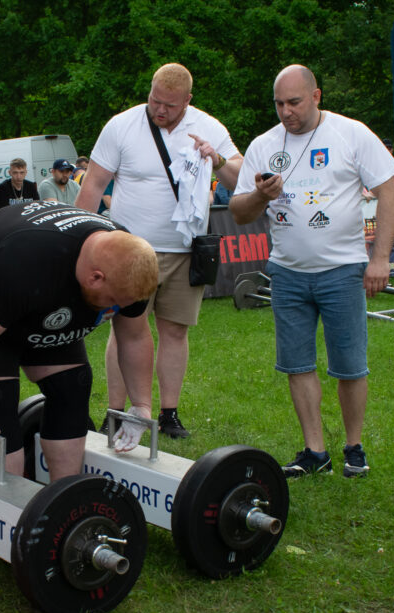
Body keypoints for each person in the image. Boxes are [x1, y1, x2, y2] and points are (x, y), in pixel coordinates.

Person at [229, 64, 394, 479]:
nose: (286, 112)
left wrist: (379, 259)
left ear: (316, 96)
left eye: (294, 102)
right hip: (287, 272)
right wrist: (259, 194)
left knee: (349, 364)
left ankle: (354, 446)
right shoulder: (264, 144)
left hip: (342, 269)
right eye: (279, 104)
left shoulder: (351, 133)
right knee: (297, 363)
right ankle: (314, 450)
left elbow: (389, 194)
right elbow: (238, 212)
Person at [76, 62, 243, 438]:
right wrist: (78, 242)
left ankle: (169, 413)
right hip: (128, 251)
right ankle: (116, 411)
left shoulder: (209, 126)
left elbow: (239, 177)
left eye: (169, 104)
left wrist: (215, 158)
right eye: (155, 100)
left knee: (175, 332)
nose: (160, 110)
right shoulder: (122, 125)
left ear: (188, 100)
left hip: (184, 251)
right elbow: (93, 186)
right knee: (124, 330)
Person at [0, 201, 158, 481]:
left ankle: (62, 499)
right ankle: (8, 509)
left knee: (72, 385)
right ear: (95, 278)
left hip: (47, 294)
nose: (115, 311)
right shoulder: (24, 262)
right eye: (113, 303)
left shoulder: (128, 264)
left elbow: (135, 335)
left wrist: (141, 405)